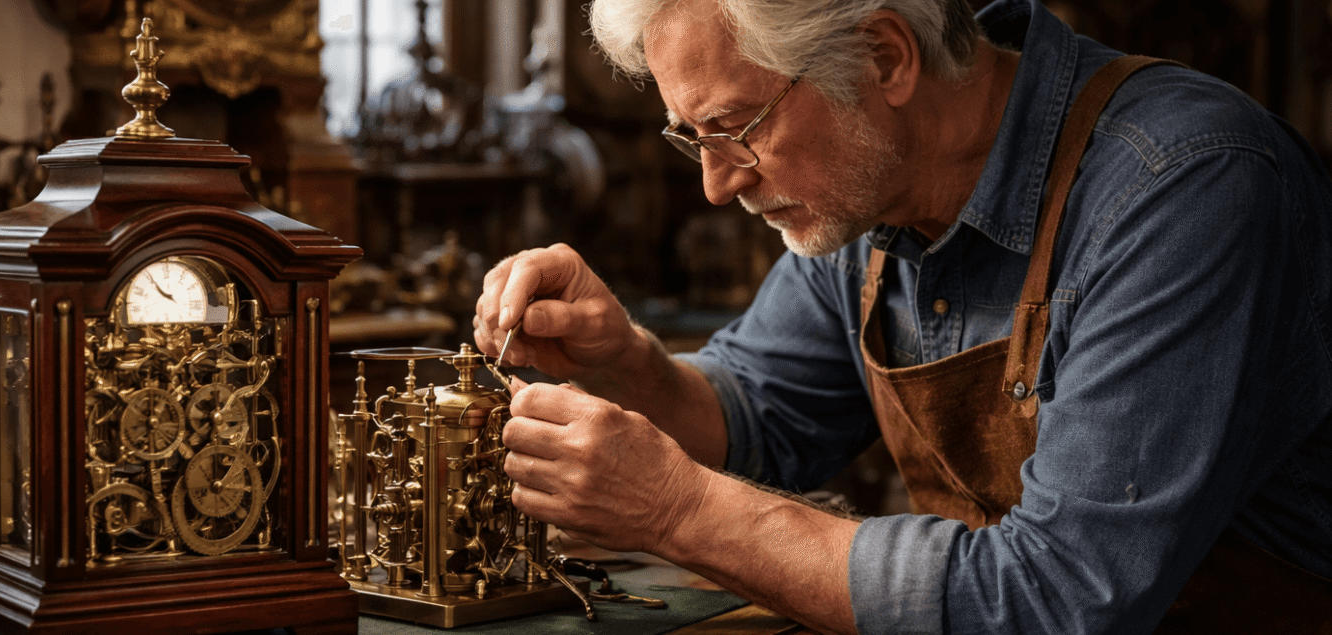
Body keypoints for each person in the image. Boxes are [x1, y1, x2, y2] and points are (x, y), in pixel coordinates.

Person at [473, 0, 1332, 632]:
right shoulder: (866, 196)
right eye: (691, 136)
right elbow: (761, 414)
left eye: (736, 126)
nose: (717, 180)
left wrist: (673, 508)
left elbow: (1060, 601)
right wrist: (630, 367)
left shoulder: (1185, 186)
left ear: (884, 55)